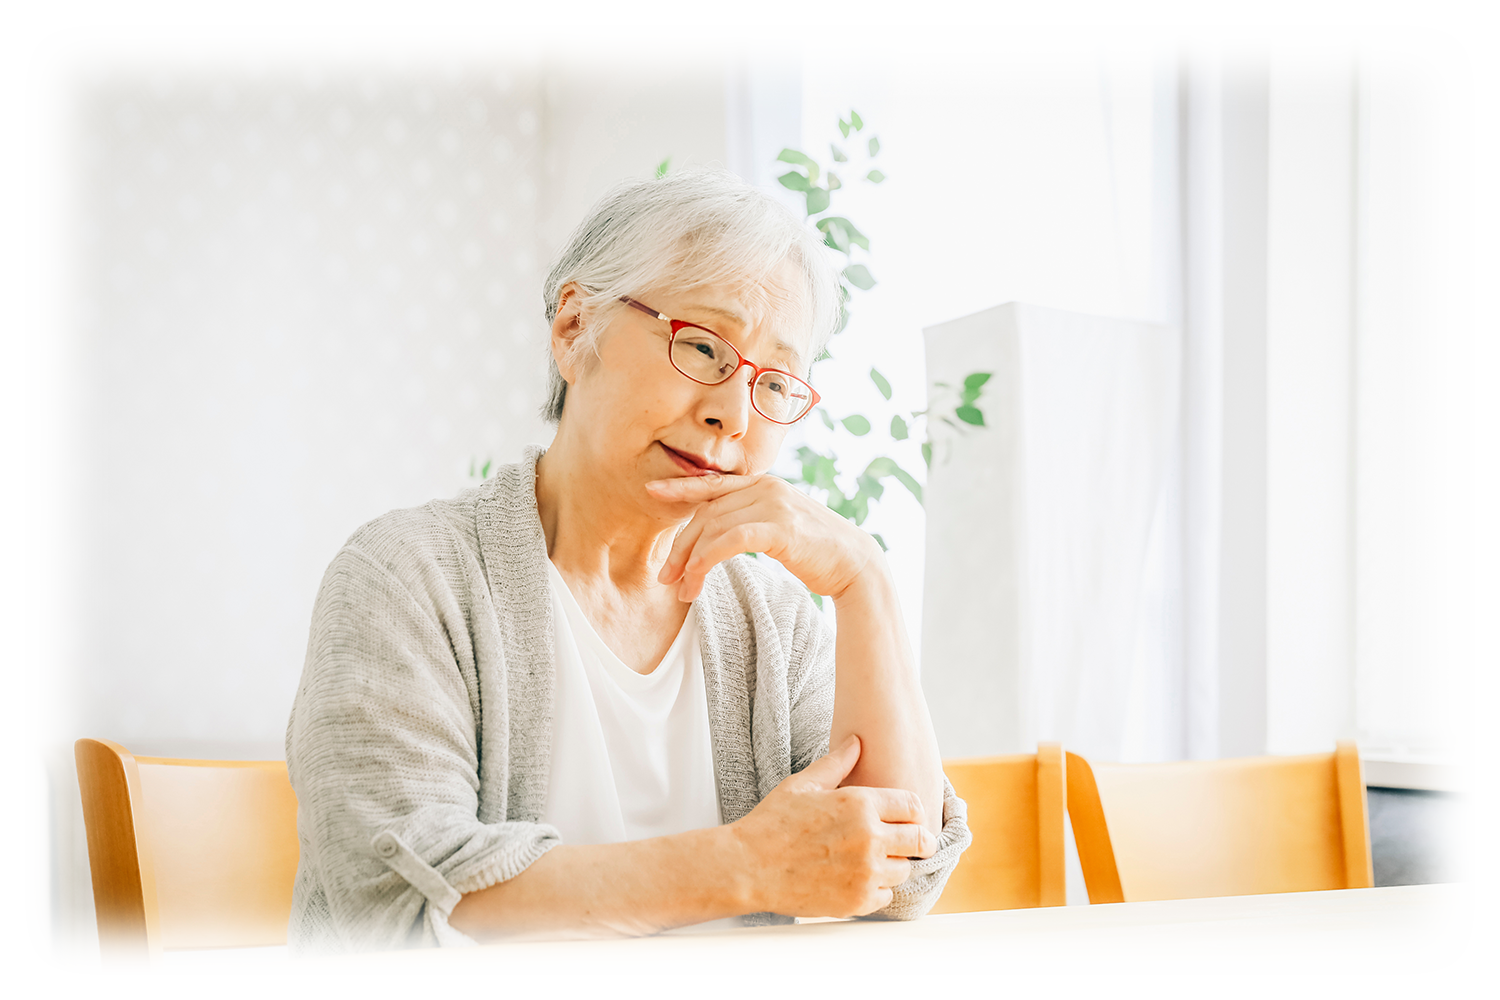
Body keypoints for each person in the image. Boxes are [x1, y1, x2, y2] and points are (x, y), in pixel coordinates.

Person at [284, 168, 970, 956]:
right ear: (575, 328)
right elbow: (406, 898)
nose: (733, 413)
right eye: (704, 346)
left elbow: (901, 874)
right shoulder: (408, 575)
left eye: (774, 382)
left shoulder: (772, 617)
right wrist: (742, 866)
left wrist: (865, 581)